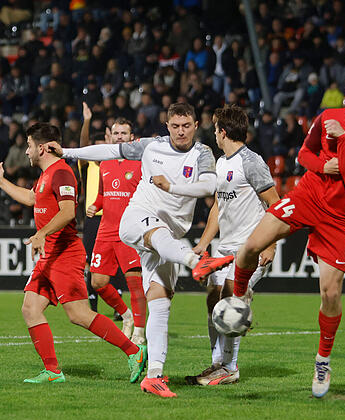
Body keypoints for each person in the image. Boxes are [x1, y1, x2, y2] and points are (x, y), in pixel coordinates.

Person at [230, 69, 345, 398]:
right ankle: (239, 298)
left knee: (331, 295)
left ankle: (322, 360)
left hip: (339, 216)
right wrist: (323, 166)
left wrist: (343, 140)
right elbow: (303, 155)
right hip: (306, 196)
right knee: (249, 248)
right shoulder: (328, 116)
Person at [54, 103, 234, 397]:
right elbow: (109, 151)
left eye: (186, 126)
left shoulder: (201, 153)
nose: (180, 131)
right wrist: (69, 152)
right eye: (175, 126)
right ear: (167, 125)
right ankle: (195, 261)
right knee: (156, 234)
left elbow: (208, 185)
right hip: (137, 219)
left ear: (195, 125)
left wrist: (172, 187)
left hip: (170, 236)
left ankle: (154, 375)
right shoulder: (152, 146)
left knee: (160, 303)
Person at [0, 123, 146, 384]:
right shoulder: (46, 175)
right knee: (30, 308)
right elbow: (33, 199)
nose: (26, 152)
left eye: (29, 146)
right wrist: (1, 181)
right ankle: (53, 372)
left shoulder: (62, 173)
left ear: (42, 147)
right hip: (49, 254)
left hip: (65, 253)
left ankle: (134, 351)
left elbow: (68, 212)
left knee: (78, 314)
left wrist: (42, 233)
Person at [186, 105, 281, 386]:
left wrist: (270, 245)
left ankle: (230, 367)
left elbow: (276, 206)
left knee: (231, 298)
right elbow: (218, 206)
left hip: (250, 248)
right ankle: (218, 363)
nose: (213, 133)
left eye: (215, 129)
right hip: (224, 247)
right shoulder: (222, 162)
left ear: (223, 132)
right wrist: (203, 244)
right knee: (213, 299)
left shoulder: (250, 162)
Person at [85, 114, 148, 347]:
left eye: (124, 133)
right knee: (97, 282)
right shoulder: (105, 163)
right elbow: (103, 195)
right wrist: (95, 205)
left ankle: (139, 331)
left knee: (134, 281)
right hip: (106, 230)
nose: (119, 136)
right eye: (116, 133)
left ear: (132, 137)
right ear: (110, 136)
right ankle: (127, 315)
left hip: (129, 231)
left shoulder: (141, 164)